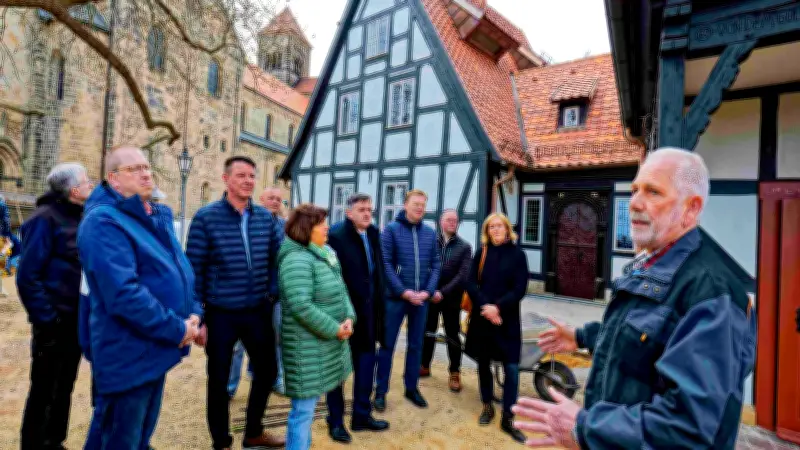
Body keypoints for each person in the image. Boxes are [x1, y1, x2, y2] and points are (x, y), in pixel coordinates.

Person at [513, 148, 757, 449]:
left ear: (691, 209)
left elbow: (688, 427)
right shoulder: (654, 263)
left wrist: (585, 429)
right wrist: (580, 336)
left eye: (653, 192)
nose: (635, 203)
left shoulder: (709, 293)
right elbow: (640, 334)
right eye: (634, 190)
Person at [78, 146, 200, 449]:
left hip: (155, 348)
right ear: (113, 179)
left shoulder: (153, 216)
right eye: (134, 169)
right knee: (118, 439)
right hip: (127, 354)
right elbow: (123, 293)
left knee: (139, 436)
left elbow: (179, 269)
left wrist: (195, 312)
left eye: (147, 167)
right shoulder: (104, 221)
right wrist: (178, 328)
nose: (146, 173)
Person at [186, 156, 284, 450]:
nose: (248, 181)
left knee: (267, 372)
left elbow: (278, 261)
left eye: (252, 176)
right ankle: (221, 442)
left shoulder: (265, 218)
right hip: (221, 314)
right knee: (218, 380)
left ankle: (253, 431)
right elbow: (195, 269)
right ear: (226, 179)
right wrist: (198, 315)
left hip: (257, 310)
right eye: (241, 175)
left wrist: (271, 294)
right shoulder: (206, 217)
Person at [17, 163, 93, 450]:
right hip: (54, 322)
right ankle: (35, 444)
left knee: (65, 386)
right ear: (74, 190)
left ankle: (54, 441)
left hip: (75, 320)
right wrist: (47, 319)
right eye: (87, 181)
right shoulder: (44, 219)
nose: (90, 185)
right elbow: (27, 277)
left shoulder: (81, 218)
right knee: (44, 388)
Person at [278, 204, 356, 450]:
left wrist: (349, 318)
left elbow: (342, 289)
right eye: (322, 223)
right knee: (303, 411)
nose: (327, 227)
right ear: (306, 228)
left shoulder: (324, 253)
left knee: (308, 409)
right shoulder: (296, 260)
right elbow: (301, 306)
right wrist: (334, 328)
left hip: (324, 343)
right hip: (306, 348)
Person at [325, 193, 390, 443]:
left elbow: (377, 272)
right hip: (343, 316)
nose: (367, 214)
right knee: (338, 371)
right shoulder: (336, 236)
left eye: (369, 210)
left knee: (365, 367)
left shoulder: (373, 233)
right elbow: (331, 278)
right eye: (361, 209)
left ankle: (361, 416)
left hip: (370, 314)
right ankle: (336, 421)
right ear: (349, 212)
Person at [463, 213, 528, 443]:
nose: (496, 230)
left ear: (507, 229)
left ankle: (508, 416)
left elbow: (520, 289)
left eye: (500, 226)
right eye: (491, 227)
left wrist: (497, 308)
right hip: (483, 318)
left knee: (511, 369)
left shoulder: (518, 255)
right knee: (484, 364)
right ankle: (487, 405)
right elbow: (469, 282)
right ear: (487, 231)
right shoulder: (482, 252)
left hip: (507, 319)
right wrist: (485, 306)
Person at [374, 189, 441, 411]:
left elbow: (436, 265)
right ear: (405, 205)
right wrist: (403, 292)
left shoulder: (430, 233)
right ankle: (380, 391)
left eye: (423, 204)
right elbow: (386, 265)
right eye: (416, 204)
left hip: (421, 299)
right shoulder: (391, 231)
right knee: (387, 345)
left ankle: (411, 388)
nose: (420, 208)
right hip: (396, 298)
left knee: (416, 344)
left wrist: (427, 292)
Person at [228, 186, 288, 399]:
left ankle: (277, 379)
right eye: (271, 198)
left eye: (279, 199)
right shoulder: (249, 223)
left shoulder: (284, 226)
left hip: (275, 294)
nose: (275, 201)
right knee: (238, 345)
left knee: (277, 338)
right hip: (247, 294)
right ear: (261, 199)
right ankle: (229, 387)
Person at [420, 209, 472, 392]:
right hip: (431, 296)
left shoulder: (465, 247)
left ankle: (454, 372)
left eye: (455, 220)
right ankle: (424, 365)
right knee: (428, 331)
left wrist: (443, 292)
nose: (452, 223)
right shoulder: (430, 243)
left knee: (452, 334)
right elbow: (424, 267)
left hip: (451, 298)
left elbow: (463, 275)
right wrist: (432, 291)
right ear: (441, 222)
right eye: (449, 219)